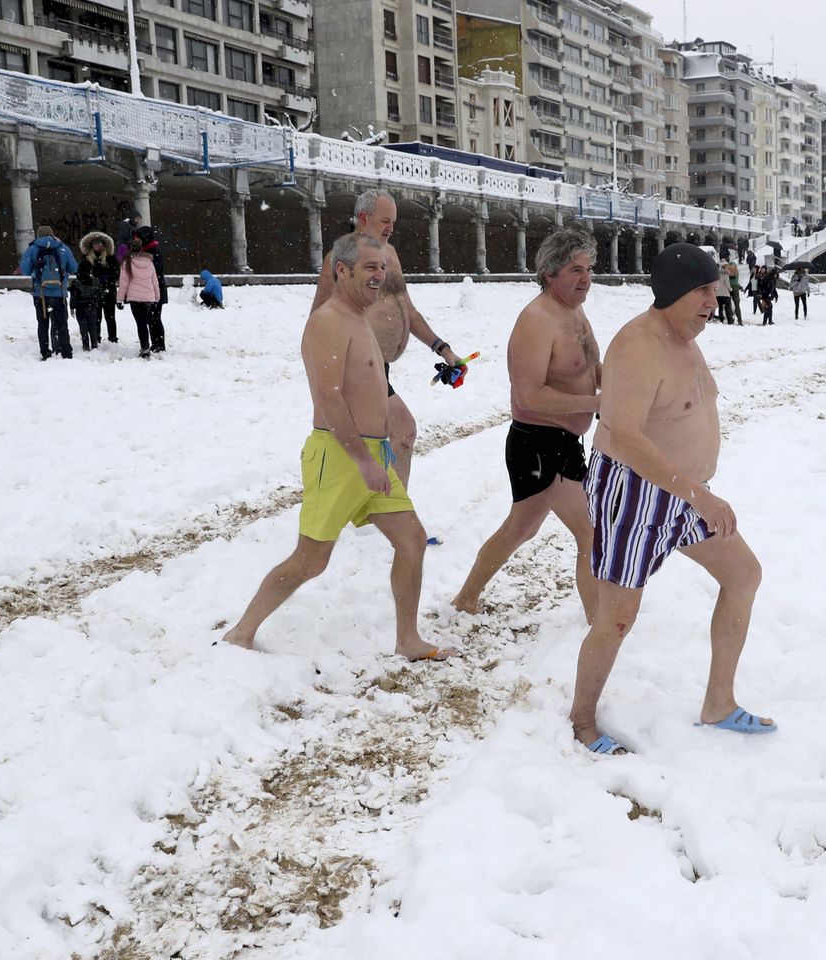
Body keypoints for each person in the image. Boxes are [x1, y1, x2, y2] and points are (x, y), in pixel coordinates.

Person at [569, 243, 771, 755]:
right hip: (635, 492)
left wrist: (694, 492)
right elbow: (626, 435)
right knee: (617, 616)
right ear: (676, 292)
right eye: (703, 290)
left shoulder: (685, 337)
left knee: (743, 574)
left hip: (683, 494)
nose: (714, 298)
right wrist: (697, 493)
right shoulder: (638, 345)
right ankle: (582, 722)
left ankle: (719, 703)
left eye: (715, 288)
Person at [222, 233, 443, 661]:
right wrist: (362, 461)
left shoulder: (358, 316)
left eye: (383, 268)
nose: (379, 276)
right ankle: (241, 632)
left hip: (373, 455)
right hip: (341, 457)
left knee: (412, 539)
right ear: (341, 271)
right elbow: (329, 396)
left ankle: (408, 640)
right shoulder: (329, 321)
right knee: (310, 560)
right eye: (369, 269)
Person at [453, 228, 602, 622]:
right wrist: (595, 403)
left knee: (520, 529)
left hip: (562, 441)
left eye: (589, 268)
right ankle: (599, 622)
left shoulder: (575, 311)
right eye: (575, 270)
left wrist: (622, 389)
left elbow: (587, 370)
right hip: (538, 442)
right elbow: (529, 395)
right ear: (549, 273)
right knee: (590, 533)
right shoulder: (537, 321)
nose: (586, 278)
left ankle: (466, 598)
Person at [311, 190, 463, 492]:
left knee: (376, 440)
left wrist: (443, 348)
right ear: (364, 219)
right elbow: (317, 318)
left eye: (393, 221)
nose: (391, 227)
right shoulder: (340, 260)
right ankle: (394, 515)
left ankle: (373, 509)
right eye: (385, 220)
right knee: (403, 432)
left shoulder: (388, 256)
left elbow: (408, 310)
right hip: (356, 368)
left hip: (380, 366)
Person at [19, 225, 79, 361]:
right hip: (60, 294)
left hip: (40, 294)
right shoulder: (62, 248)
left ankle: (45, 352)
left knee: (42, 324)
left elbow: (25, 270)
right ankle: (66, 351)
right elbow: (74, 267)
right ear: (52, 234)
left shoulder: (32, 249)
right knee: (62, 324)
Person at [117, 232, 165, 358]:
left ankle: (145, 347)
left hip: (135, 298)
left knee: (141, 324)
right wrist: (157, 296)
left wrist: (119, 299)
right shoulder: (149, 262)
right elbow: (155, 281)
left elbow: (123, 284)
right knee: (148, 321)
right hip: (148, 297)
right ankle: (151, 344)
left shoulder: (127, 263)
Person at [72, 230, 117, 351]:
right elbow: (81, 277)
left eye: (101, 243)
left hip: (108, 293)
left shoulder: (110, 259)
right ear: (91, 245)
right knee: (96, 318)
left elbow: (115, 274)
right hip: (93, 295)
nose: (99, 246)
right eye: (96, 243)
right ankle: (96, 338)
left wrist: (105, 282)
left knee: (110, 317)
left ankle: (113, 339)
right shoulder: (85, 260)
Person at [132, 225, 169, 347]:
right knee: (150, 319)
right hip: (147, 290)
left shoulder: (154, 251)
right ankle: (155, 342)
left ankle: (159, 343)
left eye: (138, 238)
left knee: (155, 318)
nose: (136, 241)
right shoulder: (142, 251)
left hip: (156, 289)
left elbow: (156, 271)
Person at [724, 257, 744, 322]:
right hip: (735, 288)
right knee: (737, 305)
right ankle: (739, 320)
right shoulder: (736, 272)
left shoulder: (727, 274)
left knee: (728, 304)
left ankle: (731, 318)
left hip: (729, 288)